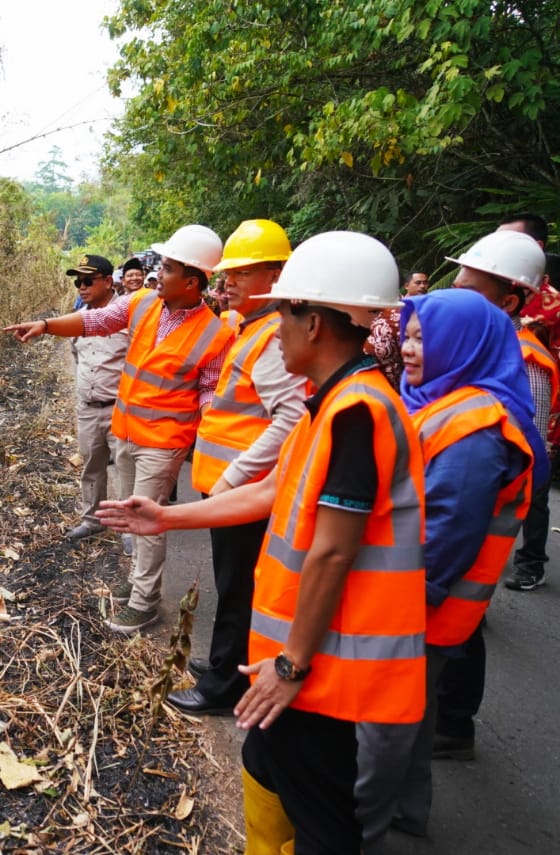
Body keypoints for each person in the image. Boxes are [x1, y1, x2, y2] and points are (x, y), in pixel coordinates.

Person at [98, 231, 426, 855]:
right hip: (307, 656)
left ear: (319, 322)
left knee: (321, 816)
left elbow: (333, 551)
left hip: (332, 667)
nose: (275, 326)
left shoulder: (358, 414)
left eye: (286, 310)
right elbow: (273, 489)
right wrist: (166, 518)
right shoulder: (327, 405)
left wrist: (290, 666)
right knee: (264, 763)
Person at [354, 289, 539, 852]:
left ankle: (357, 824)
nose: (409, 349)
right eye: (407, 335)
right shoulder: (440, 398)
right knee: (413, 708)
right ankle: (407, 812)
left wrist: (410, 596)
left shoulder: (476, 429)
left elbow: (448, 526)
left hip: (422, 597)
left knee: (383, 719)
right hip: (418, 594)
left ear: (464, 345)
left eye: (423, 338)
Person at [6, 225, 234, 634]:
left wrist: (217, 446)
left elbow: (209, 395)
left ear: (192, 281)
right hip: (126, 432)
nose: (157, 273)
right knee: (131, 517)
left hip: (163, 445)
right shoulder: (144, 303)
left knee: (147, 519)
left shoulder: (216, 335)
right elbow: (95, 320)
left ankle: (144, 602)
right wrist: (45, 325)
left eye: (167, 268)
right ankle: (137, 585)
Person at [170, 219, 308, 716]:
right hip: (232, 487)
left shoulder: (272, 335)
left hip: (244, 491)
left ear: (277, 274)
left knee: (238, 586)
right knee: (233, 581)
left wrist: (233, 476)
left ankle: (225, 684)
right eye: (228, 272)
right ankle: (230, 663)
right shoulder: (255, 327)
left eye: (243, 273)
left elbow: (290, 417)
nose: (228, 282)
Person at [432, 228, 551, 761]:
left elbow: (530, 444)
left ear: (510, 302)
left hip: (468, 529)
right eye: (456, 285)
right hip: (456, 519)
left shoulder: (522, 357)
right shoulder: (463, 343)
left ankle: (453, 724)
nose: (457, 297)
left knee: (458, 627)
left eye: (472, 291)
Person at [62, 255, 131, 543]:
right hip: (89, 408)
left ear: (107, 281)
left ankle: (129, 528)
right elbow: (78, 359)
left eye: (88, 281)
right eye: (78, 282)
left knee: (128, 470)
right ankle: (92, 520)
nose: (81, 287)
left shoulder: (128, 314)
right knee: (92, 465)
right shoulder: (79, 318)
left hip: (120, 408)